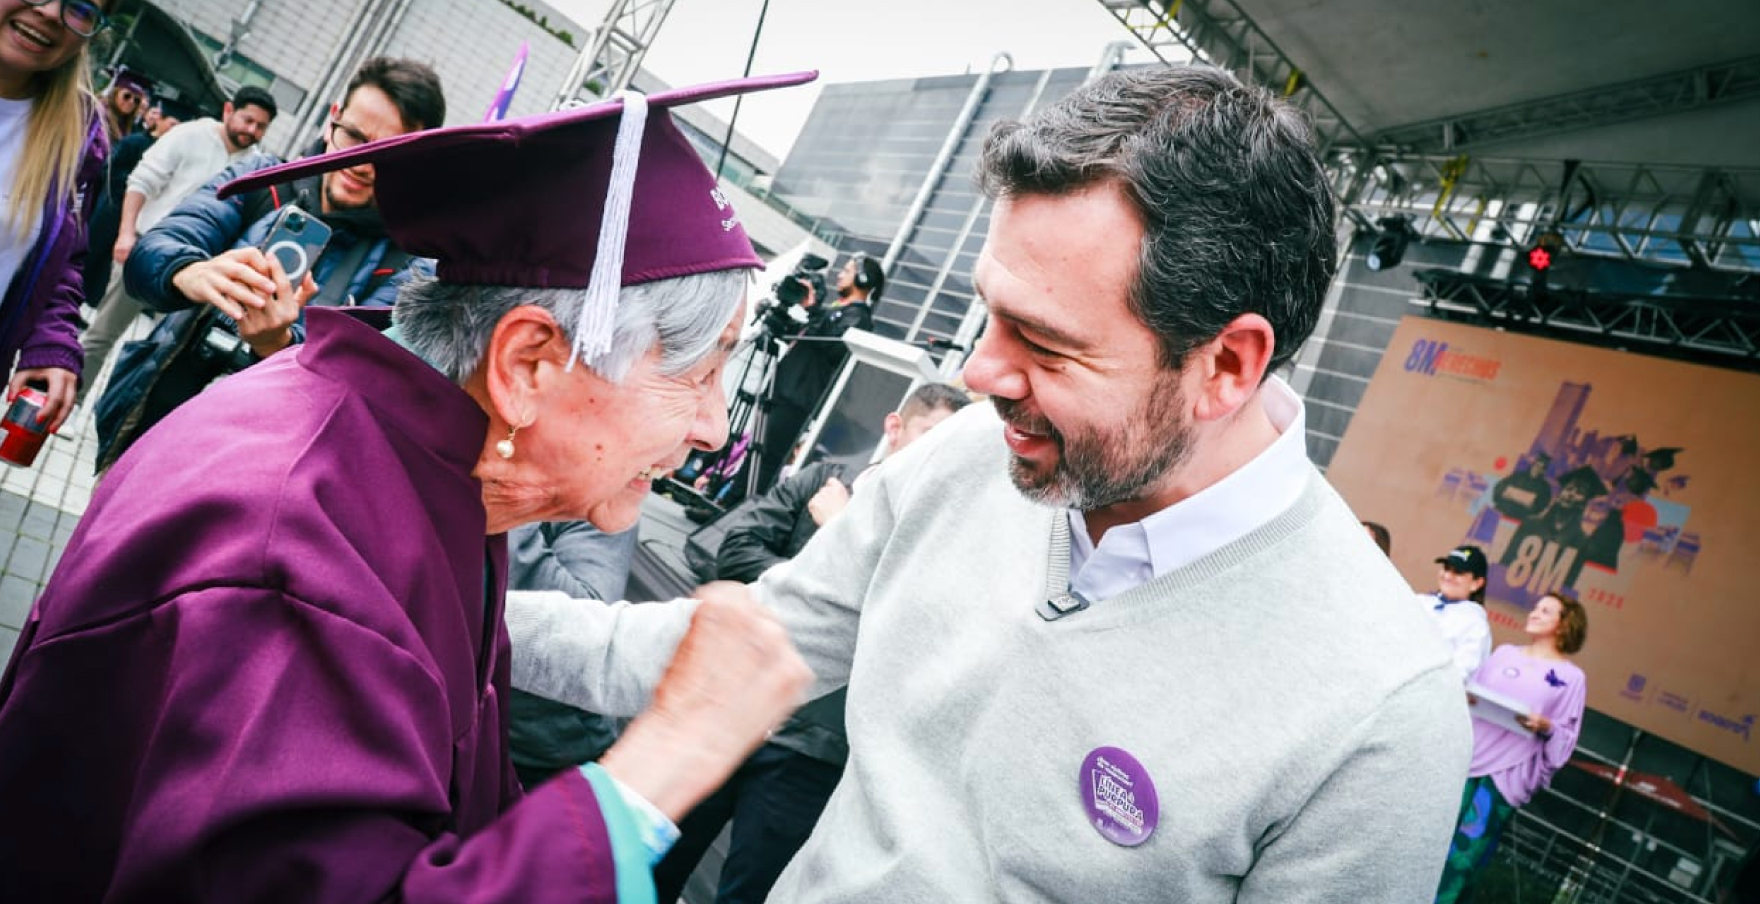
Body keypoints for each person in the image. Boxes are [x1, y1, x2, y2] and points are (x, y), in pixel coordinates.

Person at [508, 66, 1472, 902]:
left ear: (1226, 366)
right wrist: (407, 604)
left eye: (1046, 343)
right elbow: (704, 651)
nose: (979, 374)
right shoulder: (968, 456)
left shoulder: (1380, 715)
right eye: (990, 314)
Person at [0, 71, 819, 901]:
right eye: (701, 367)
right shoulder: (299, 551)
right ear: (527, 366)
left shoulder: (412, 465)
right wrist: (670, 755)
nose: (714, 427)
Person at [656, 382, 970, 904]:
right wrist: (818, 587)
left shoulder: (941, 539)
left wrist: (837, 533)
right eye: (929, 436)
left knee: (751, 889)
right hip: (730, 710)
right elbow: (734, 547)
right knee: (659, 859)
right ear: (895, 428)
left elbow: (896, 623)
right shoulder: (825, 479)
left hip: (813, 748)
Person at [93, 57, 440, 470]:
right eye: (354, 137)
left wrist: (276, 347)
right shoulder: (260, 180)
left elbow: (364, 397)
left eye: (387, 153)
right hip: (146, 433)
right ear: (333, 119)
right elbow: (152, 254)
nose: (362, 164)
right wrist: (190, 271)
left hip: (262, 480)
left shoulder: (410, 266)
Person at [76, 85, 275, 404]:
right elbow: (141, 181)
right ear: (228, 111)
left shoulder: (256, 164)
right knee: (103, 333)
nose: (251, 130)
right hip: (146, 250)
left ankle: (115, 412)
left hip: (200, 271)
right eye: (247, 120)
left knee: (160, 351)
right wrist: (127, 234)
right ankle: (74, 398)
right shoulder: (189, 135)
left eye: (260, 126)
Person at [0, 0, 113, 438]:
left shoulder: (81, 131)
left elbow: (61, 258)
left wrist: (50, 342)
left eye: (80, 7)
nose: (49, 12)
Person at [1436, 592, 1588, 903]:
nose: (1534, 613)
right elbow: (1470, 692)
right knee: (1431, 841)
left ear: (1564, 625)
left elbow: (1566, 736)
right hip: (1467, 760)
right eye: (1536, 607)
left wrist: (1545, 725)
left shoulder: (1571, 678)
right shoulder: (1504, 653)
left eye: (1545, 611)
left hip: (1504, 777)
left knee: (1464, 857)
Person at [506, 519, 640, 789]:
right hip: (451, 716)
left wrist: (496, 509)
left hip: (539, 748)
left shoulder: (602, 488)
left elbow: (579, 628)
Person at [755, 252, 881, 493]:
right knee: (757, 446)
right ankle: (726, 498)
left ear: (863, 280)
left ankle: (735, 507)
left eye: (847, 271)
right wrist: (780, 319)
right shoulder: (838, 311)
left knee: (768, 455)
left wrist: (814, 309)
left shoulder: (859, 318)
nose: (840, 275)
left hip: (799, 397)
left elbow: (832, 345)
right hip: (784, 386)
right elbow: (808, 338)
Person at [83, 97, 185, 308]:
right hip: (113, 210)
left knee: (107, 269)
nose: (175, 130)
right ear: (160, 120)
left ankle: (87, 305)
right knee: (91, 256)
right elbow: (109, 171)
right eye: (173, 124)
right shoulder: (135, 143)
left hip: (140, 219)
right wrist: (134, 186)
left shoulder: (172, 154)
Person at [1421, 544, 1493, 683]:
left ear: (1477, 583)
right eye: (1446, 568)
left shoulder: (1476, 625)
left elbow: (1460, 673)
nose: (1448, 576)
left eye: (1458, 572)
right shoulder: (1420, 601)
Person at [98, 64, 148, 142]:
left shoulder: (129, 127)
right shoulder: (98, 114)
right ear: (115, 93)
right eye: (127, 96)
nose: (131, 101)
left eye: (137, 100)